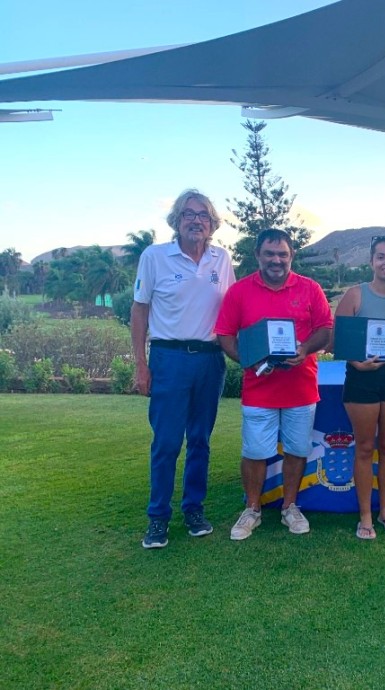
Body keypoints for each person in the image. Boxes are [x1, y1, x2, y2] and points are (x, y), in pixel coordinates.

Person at [131, 189, 235, 549]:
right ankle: (158, 517)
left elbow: (233, 310)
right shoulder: (155, 256)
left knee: (201, 441)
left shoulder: (222, 259)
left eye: (203, 215)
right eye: (188, 214)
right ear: (176, 220)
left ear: (212, 224)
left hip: (210, 360)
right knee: (167, 442)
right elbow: (140, 310)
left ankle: (194, 509)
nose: (196, 220)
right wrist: (141, 364)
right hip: (169, 358)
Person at [214, 229, 333, 541]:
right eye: (269, 254)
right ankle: (252, 508)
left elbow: (325, 329)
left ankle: (289, 507)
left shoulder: (310, 289)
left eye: (282, 254)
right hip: (259, 389)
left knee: (296, 449)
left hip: (301, 388)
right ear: (258, 256)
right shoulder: (239, 292)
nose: (276, 260)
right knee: (254, 451)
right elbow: (224, 334)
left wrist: (305, 349)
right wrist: (247, 359)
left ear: (291, 255)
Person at [333, 235, 385, 540]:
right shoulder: (355, 295)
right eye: (381, 257)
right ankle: (365, 515)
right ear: (371, 262)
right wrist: (357, 364)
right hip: (361, 375)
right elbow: (338, 340)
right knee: (365, 447)